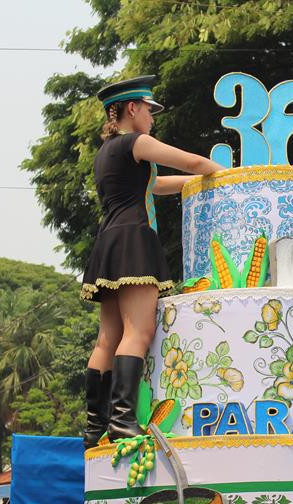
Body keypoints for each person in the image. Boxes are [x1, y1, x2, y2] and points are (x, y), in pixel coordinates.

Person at [81, 75, 224, 448]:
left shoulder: (106, 153)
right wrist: (224, 175)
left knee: (107, 338)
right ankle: (123, 421)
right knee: (138, 332)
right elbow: (193, 160)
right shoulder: (137, 142)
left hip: (108, 242)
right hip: (134, 240)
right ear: (132, 109)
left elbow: (155, 185)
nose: (152, 118)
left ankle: (94, 428)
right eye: (148, 110)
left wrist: (192, 182)